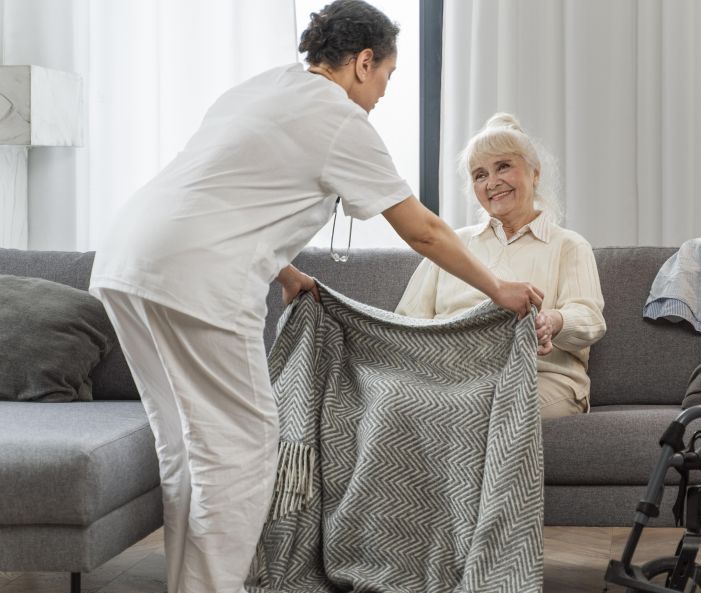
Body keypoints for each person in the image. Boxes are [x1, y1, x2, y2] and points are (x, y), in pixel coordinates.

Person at [87, 3, 543, 592]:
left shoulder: (263, 87)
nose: (382, 93)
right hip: (198, 283)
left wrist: (284, 271)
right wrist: (499, 287)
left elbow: (227, 190)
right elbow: (421, 229)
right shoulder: (340, 119)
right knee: (245, 454)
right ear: (362, 62)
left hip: (128, 260)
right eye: (385, 77)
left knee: (183, 445)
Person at [396, 113, 606, 419]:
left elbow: (590, 319)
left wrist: (553, 321)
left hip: (540, 378)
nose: (492, 182)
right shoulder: (451, 245)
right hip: (455, 379)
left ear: (535, 173)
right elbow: (408, 321)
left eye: (503, 166)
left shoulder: (569, 245)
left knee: (478, 407)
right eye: (480, 175)